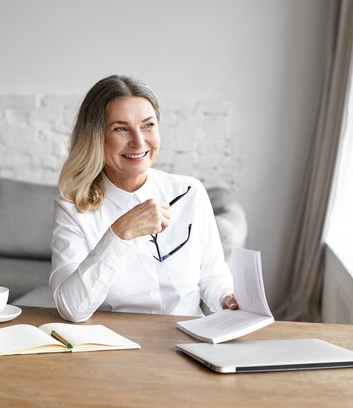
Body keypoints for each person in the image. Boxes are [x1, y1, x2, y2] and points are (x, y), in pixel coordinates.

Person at [50, 75, 238, 322]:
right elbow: (72, 308)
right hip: (116, 347)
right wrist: (119, 233)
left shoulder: (190, 192)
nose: (139, 142)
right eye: (120, 128)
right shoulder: (73, 207)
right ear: (95, 136)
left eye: (148, 125)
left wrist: (227, 299)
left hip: (187, 341)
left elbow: (212, 276)